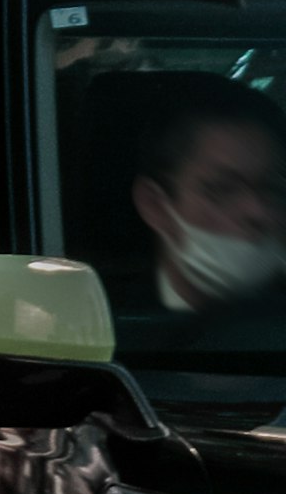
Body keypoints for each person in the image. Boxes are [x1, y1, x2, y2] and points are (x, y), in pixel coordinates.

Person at [113, 76, 286, 347]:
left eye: (273, 189)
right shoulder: (103, 326)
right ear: (155, 205)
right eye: (223, 190)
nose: (258, 212)